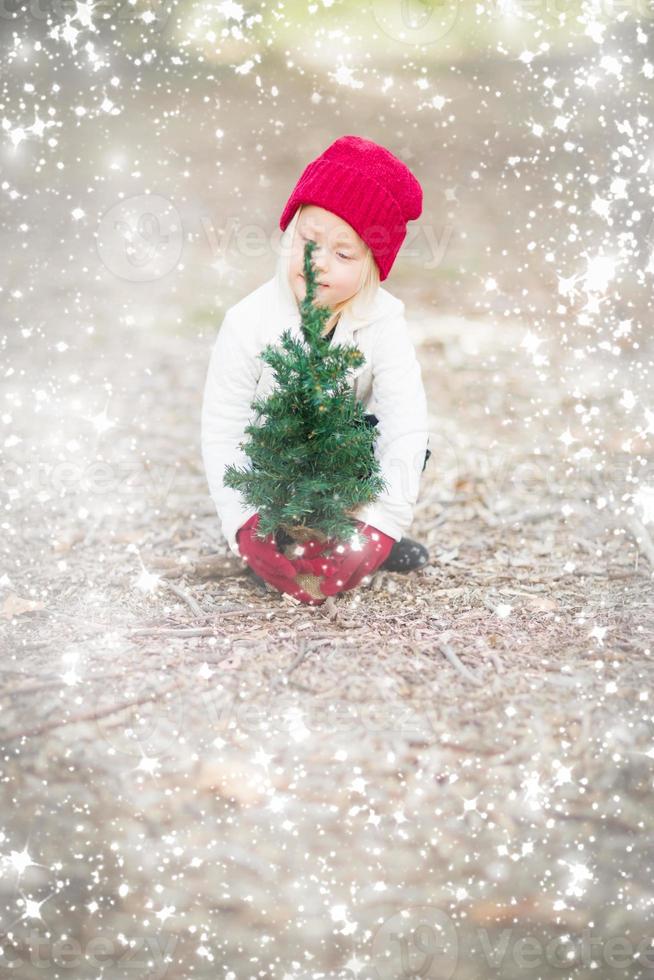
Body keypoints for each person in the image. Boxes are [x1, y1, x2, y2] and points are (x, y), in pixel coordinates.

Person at [201, 135, 431, 605]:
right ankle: (284, 538)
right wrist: (245, 526)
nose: (319, 262)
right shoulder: (248, 323)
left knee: (390, 440)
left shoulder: (384, 323)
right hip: (273, 474)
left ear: (371, 266)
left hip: (345, 469)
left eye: (345, 254)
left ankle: (346, 529)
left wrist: (379, 529)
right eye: (309, 241)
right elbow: (223, 429)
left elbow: (406, 425)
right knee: (278, 461)